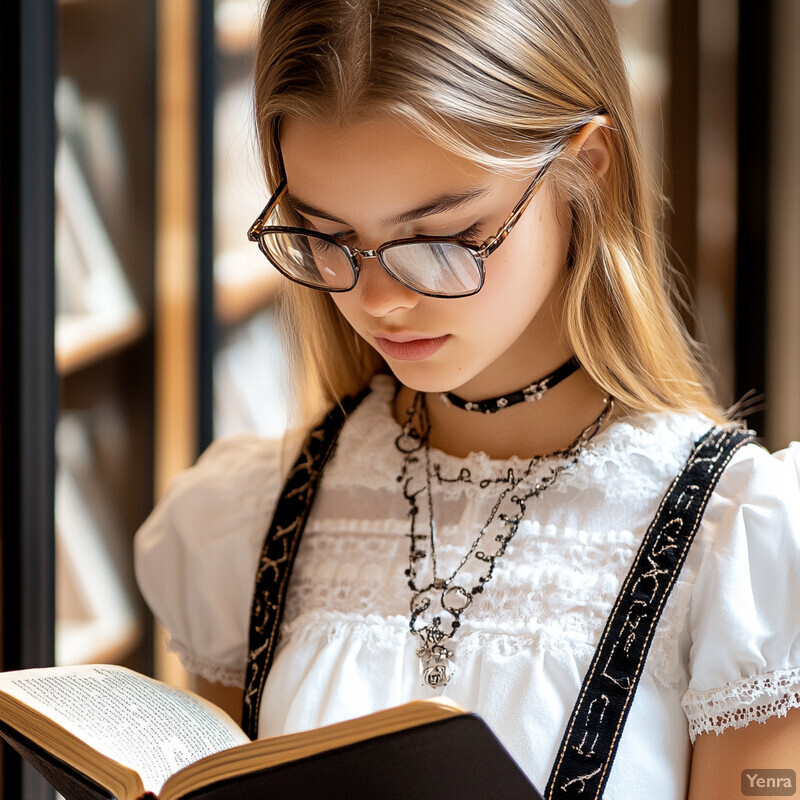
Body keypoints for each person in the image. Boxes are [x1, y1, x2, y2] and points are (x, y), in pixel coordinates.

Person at [134, 0, 800, 797]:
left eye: (442, 240)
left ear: (587, 167)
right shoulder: (251, 516)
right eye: (327, 237)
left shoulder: (737, 546)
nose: (379, 298)